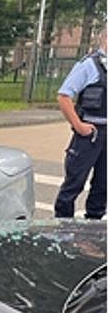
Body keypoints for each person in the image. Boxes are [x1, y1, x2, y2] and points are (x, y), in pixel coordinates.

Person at [54, 35, 107, 220]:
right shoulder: (89, 65)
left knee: (102, 186)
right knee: (73, 185)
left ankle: (94, 231)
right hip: (89, 136)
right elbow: (64, 96)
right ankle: (63, 229)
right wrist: (79, 126)